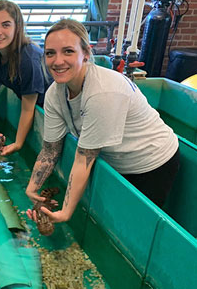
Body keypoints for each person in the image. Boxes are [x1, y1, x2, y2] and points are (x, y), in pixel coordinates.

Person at [25, 19, 180, 226]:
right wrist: (32, 187)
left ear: (86, 53)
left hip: (151, 161)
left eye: (68, 51)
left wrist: (65, 213)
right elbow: (51, 150)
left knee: (137, 226)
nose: (57, 61)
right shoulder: (55, 93)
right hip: (116, 158)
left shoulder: (103, 92)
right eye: (50, 53)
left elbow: (83, 160)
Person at [0, 0, 52, 156]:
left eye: (6, 25)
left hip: (53, 108)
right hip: (34, 105)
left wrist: (18, 143)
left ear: (17, 27)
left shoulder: (28, 59)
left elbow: (28, 108)